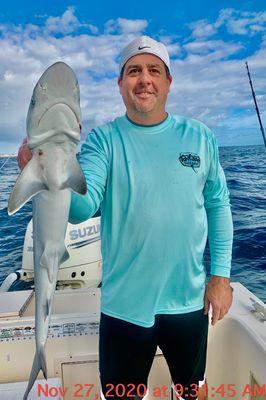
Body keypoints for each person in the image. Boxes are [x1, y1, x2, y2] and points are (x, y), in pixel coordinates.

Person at [18, 36, 233, 400]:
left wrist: (221, 276)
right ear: (120, 84)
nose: (144, 79)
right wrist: (46, 175)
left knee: (192, 391)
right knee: (123, 396)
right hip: (124, 307)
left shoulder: (199, 137)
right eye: (134, 71)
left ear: (168, 81)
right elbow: (83, 208)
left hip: (188, 300)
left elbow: (219, 205)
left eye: (154, 70)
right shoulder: (104, 140)